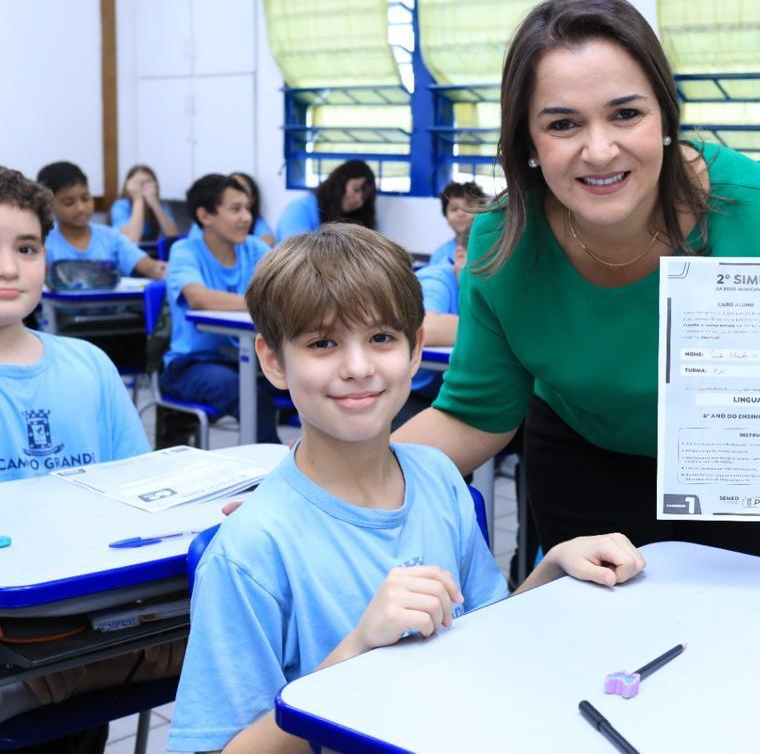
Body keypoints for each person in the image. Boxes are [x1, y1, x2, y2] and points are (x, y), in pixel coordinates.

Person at [394, 0, 760, 558]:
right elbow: (472, 416)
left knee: (719, 635)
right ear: (527, 140)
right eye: (562, 124)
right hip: (580, 459)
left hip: (729, 469)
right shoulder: (503, 241)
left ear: (665, 117)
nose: (600, 151)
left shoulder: (756, 207)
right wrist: (323, 486)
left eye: (626, 114)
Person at [168, 224, 646, 752]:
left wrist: (549, 571)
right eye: (322, 343)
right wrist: (356, 650)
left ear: (415, 349)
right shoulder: (251, 551)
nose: (358, 367)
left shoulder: (438, 477)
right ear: (274, 361)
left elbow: (482, 635)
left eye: (380, 339)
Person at [0, 166, 181, 750]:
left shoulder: (89, 366)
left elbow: (139, 497)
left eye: (26, 248)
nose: (9, 267)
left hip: (88, 623)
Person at [160, 174, 279, 444]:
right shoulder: (185, 250)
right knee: (249, 392)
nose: (246, 217)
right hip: (190, 365)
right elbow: (197, 297)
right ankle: (269, 474)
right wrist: (261, 303)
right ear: (205, 215)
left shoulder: (254, 248)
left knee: (303, 378)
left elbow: (287, 288)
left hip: (244, 360)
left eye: (248, 208)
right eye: (236, 209)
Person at [37, 161, 166, 279]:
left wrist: (169, 270)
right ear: (49, 206)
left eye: (86, 198)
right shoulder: (44, 243)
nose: (81, 208)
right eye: (69, 203)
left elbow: (149, 266)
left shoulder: (111, 237)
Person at [393, 242, 466, 430]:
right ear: (460, 256)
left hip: (460, 395)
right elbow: (425, 327)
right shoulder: (436, 279)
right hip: (413, 396)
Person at [274, 159, 377, 242]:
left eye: (364, 197)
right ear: (340, 183)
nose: (358, 199)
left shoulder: (357, 220)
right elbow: (295, 255)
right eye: (356, 189)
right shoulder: (299, 209)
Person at [110, 163, 180, 242]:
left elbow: (174, 237)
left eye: (148, 182)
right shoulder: (121, 205)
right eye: (138, 183)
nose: (143, 187)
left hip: (154, 251)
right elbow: (131, 239)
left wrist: (155, 204)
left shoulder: (162, 205)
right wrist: (138, 199)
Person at [428, 181, 486, 266]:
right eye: (454, 209)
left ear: (483, 211)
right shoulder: (439, 256)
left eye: (469, 207)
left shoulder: (495, 249)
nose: (461, 213)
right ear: (446, 218)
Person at [229, 171, 276, 246]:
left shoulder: (257, 224)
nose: (236, 192)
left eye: (242, 188)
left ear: (252, 199)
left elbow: (268, 242)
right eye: (232, 186)